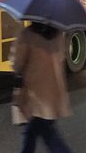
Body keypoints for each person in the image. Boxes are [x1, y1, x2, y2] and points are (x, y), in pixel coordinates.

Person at [10, 22, 72, 153]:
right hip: (53, 91)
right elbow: (61, 56)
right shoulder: (58, 34)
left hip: (34, 94)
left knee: (44, 133)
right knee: (33, 132)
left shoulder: (27, 34)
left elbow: (17, 63)